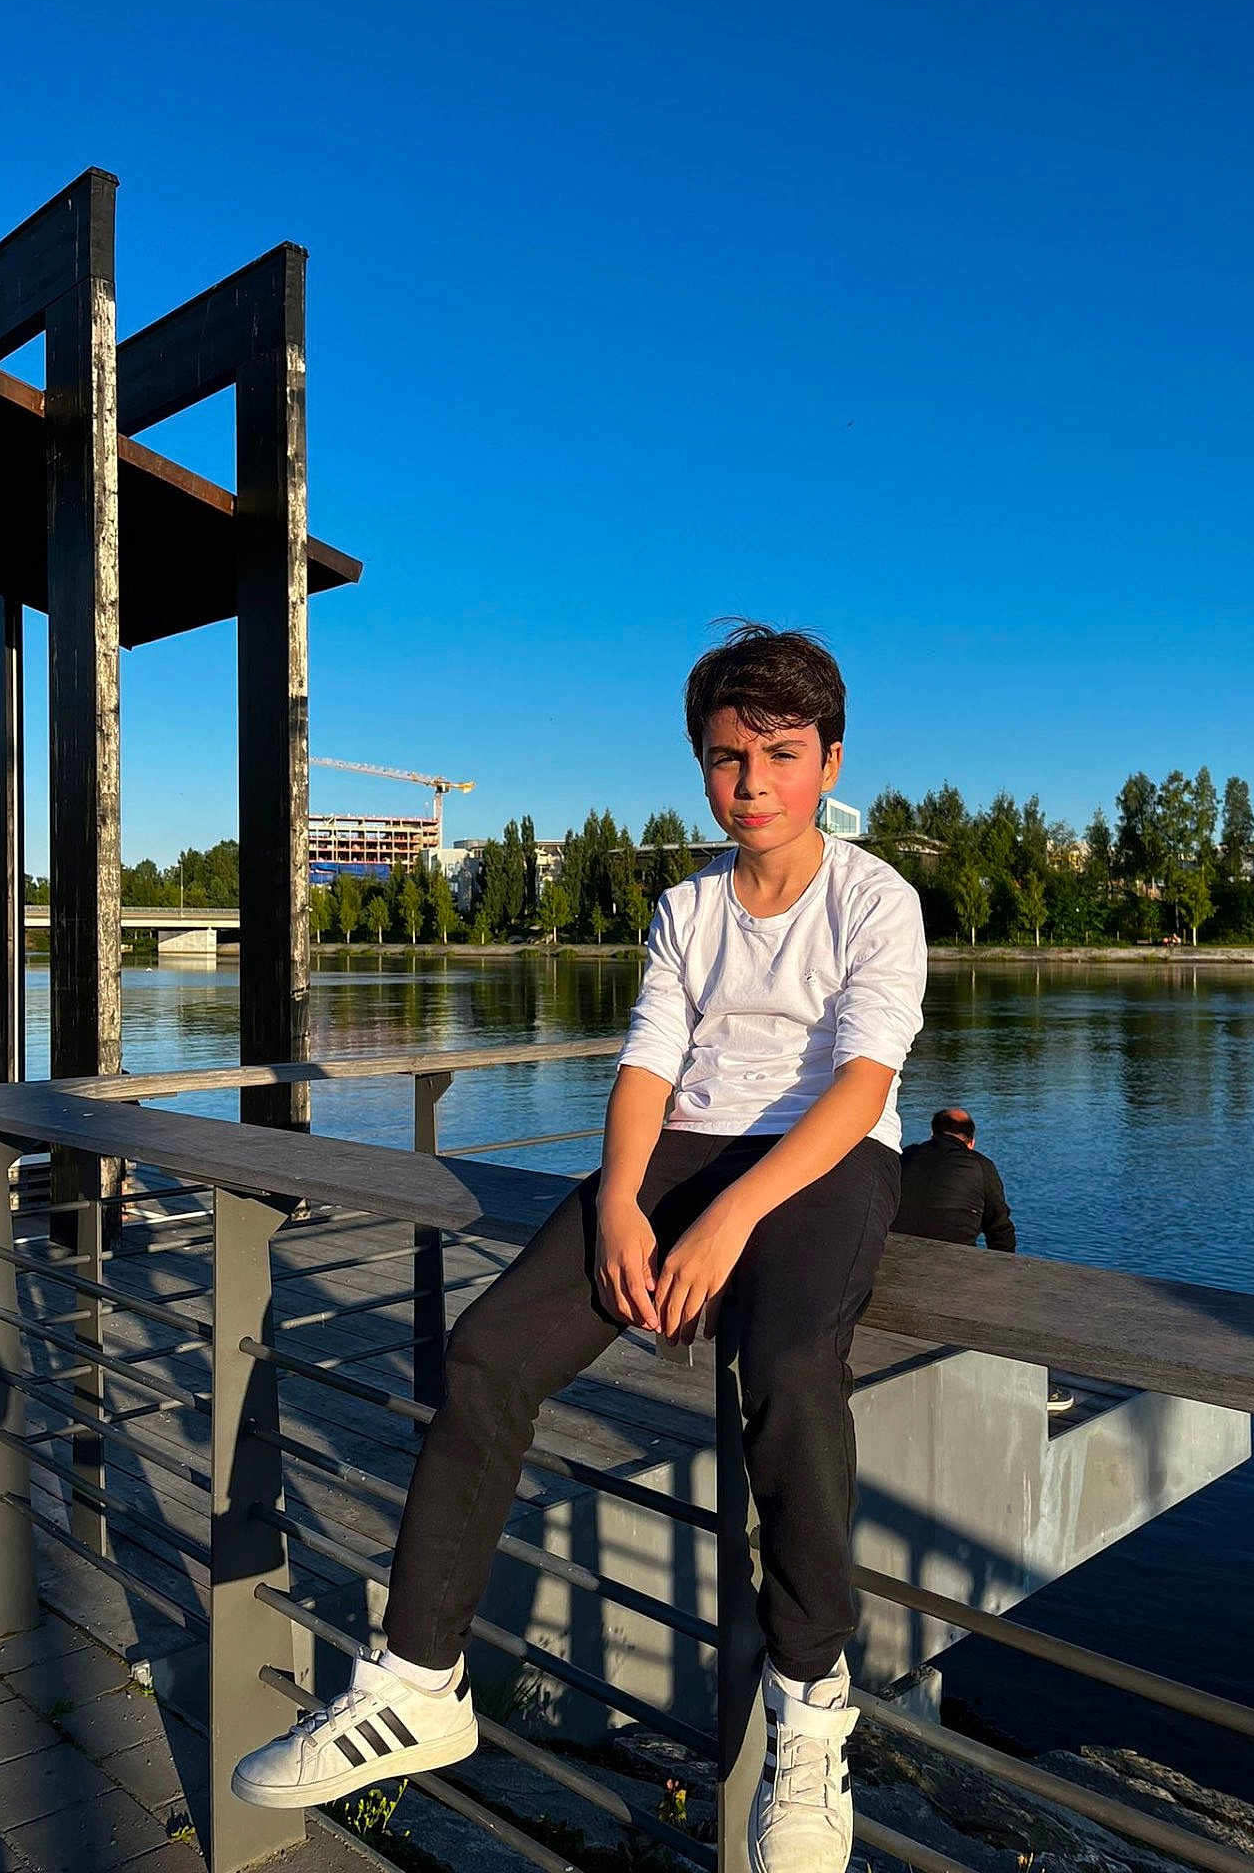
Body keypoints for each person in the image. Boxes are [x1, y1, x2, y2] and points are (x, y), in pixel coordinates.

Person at [233, 624, 929, 1873]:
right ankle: (419, 1680)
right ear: (700, 769)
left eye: (779, 754)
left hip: (827, 1156)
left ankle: (813, 1708)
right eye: (726, 759)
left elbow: (859, 1082)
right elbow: (651, 1065)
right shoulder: (686, 907)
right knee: (490, 1353)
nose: (752, 783)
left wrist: (726, 1222)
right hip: (675, 1148)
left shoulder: (877, 898)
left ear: (830, 759)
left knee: (787, 1374)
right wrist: (619, 1201)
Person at [894, 1108, 1074, 1414]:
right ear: (971, 1141)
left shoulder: (903, 1158)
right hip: (953, 1277)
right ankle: (1024, 1384)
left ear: (933, 1133)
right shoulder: (980, 1166)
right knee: (1013, 1282)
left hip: (896, 1272)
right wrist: (1003, 1282)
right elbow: (1000, 1232)